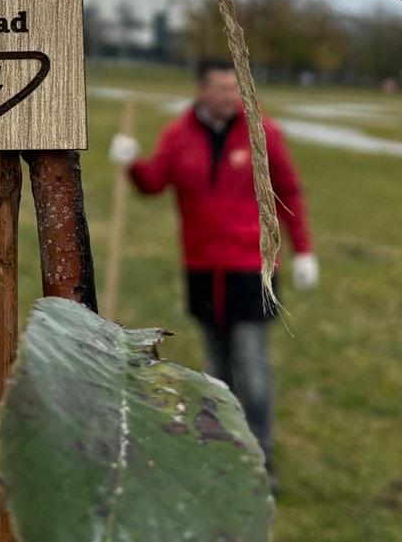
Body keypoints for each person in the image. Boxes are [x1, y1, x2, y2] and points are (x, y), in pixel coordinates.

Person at [109, 57, 318, 485]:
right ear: (200, 89)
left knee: (251, 365)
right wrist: (131, 163)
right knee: (217, 370)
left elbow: (289, 189)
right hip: (203, 270)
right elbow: (154, 183)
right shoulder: (178, 136)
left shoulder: (262, 133)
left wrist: (304, 251)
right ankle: (224, 450)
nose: (229, 96)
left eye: (233, 88)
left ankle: (261, 460)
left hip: (250, 269)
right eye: (221, 87)